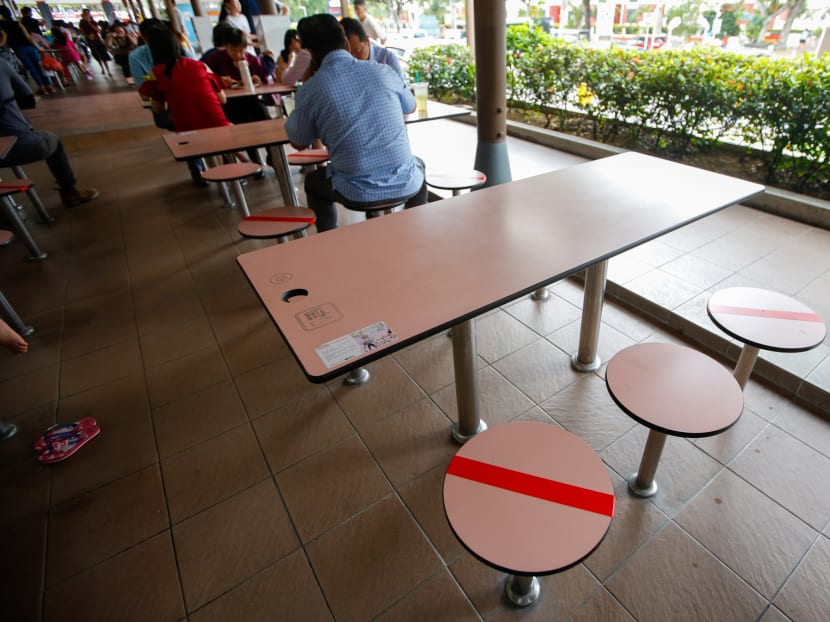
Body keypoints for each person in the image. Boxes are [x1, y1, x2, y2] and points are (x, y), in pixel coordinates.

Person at [285, 14, 425, 232]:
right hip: (404, 183)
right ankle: (415, 229)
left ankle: (330, 240)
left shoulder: (312, 89)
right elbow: (411, 106)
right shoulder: (382, 70)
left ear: (309, 53)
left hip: (356, 191)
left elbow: (298, 142)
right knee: (418, 167)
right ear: (347, 43)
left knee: (313, 182)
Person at [0, 58, 99, 207]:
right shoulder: (2, 63)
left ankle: (5, 211)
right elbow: (27, 98)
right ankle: (70, 191)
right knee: (53, 141)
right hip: (18, 142)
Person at [0, 6, 50, 95]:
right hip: (30, 47)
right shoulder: (18, 23)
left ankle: (42, 87)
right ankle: (49, 85)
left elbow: (4, 37)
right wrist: (38, 47)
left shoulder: (2, 26)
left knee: (31, 68)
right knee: (39, 66)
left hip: (19, 49)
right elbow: (28, 37)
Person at [340, 17, 404, 82]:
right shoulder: (342, 65)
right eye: (348, 54)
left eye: (357, 51)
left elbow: (402, 88)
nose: (353, 58)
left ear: (367, 40)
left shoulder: (387, 58)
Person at [78, 8, 112, 78]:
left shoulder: (93, 22)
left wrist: (89, 22)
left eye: (87, 14)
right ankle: (102, 68)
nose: (86, 15)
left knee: (103, 54)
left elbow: (98, 30)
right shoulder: (82, 23)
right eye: (85, 14)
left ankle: (108, 70)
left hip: (97, 40)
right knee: (96, 54)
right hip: (90, 41)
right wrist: (88, 36)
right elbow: (81, 32)